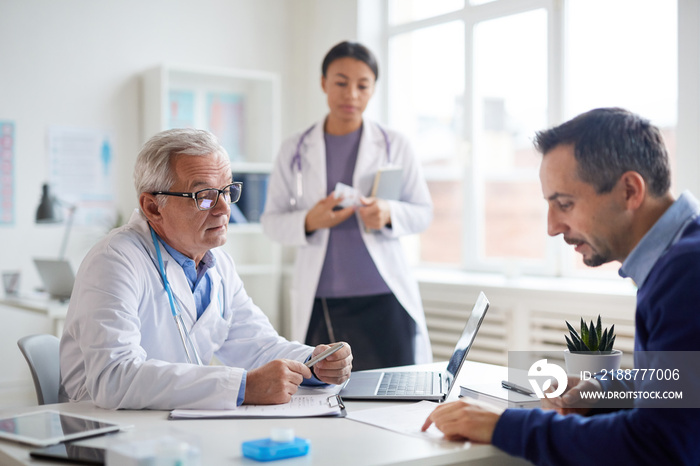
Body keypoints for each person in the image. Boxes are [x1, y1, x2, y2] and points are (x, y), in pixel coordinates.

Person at [422, 108, 700, 464]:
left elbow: (658, 446)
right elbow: (681, 384)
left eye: (565, 204)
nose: (552, 227)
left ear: (630, 190)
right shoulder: (679, 256)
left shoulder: (686, 273)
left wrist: (504, 425)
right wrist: (602, 389)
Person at [59, 128, 353, 410]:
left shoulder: (219, 264)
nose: (224, 208)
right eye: (204, 196)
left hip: (176, 427)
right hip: (104, 430)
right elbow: (114, 378)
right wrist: (244, 387)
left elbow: (258, 344)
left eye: (227, 191)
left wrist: (315, 363)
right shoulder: (115, 260)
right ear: (152, 207)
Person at [261, 41, 433, 371]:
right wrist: (309, 220)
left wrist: (389, 213)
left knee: (393, 398)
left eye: (362, 85)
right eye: (340, 82)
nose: (351, 94)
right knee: (323, 397)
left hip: (385, 298)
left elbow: (422, 211)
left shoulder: (395, 144)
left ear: (373, 90)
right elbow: (271, 220)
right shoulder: (294, 148)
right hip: (323, 299)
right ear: (323, 83)